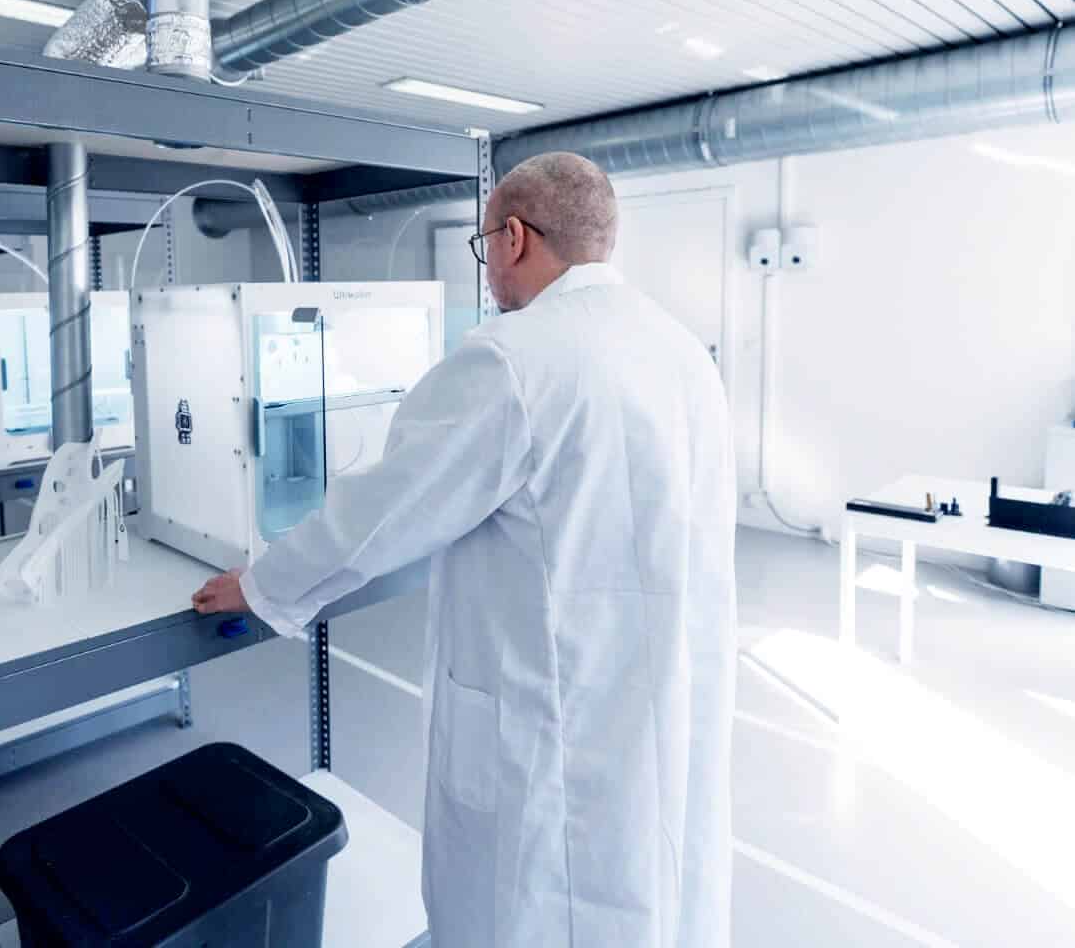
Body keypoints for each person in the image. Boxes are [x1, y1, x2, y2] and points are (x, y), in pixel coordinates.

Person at [193, 152, 737, 946]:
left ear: (514, 237)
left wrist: (265, 582)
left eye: (486, 250)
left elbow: (383, 510)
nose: (489, 277)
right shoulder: (684, 355)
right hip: (659, 694)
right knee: (648, 883)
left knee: (535, 900)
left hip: (551, 711)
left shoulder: (514, 357)